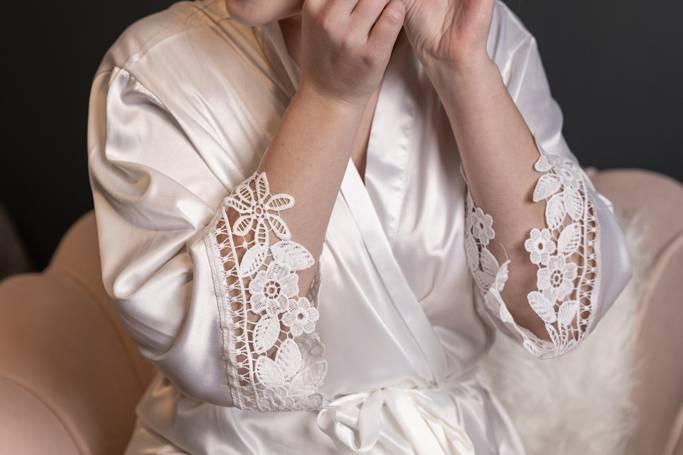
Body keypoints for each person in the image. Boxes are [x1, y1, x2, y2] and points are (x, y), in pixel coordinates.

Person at [86, 0, 633, 453]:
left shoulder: (481, 34)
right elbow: (206, 348)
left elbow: (557, 307)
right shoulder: (151, 71)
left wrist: (462, 68)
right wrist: (328, 99)